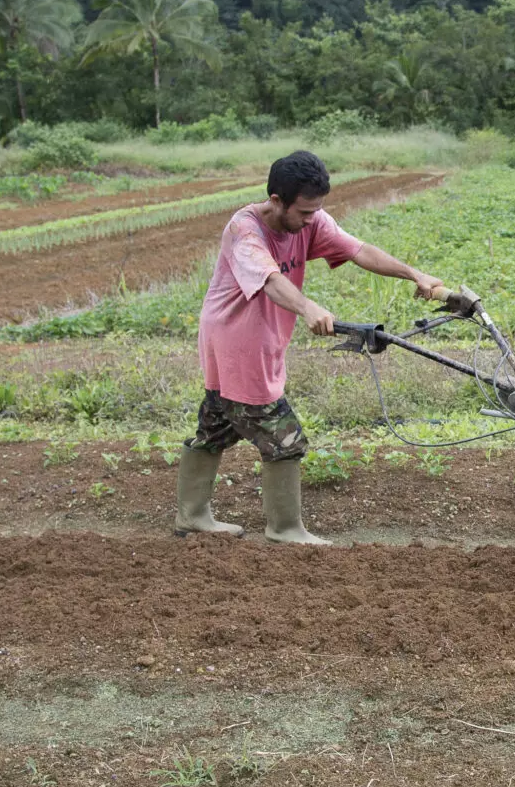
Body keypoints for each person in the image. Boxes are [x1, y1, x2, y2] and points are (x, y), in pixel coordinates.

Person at [175, 150, 445, 544]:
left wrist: (413, 274)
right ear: (276, 201)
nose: (310, 220)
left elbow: (358, 250)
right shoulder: (244, 230)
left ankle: (191, 516)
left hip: (255, 341)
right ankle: (285, 529)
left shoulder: (309, 221)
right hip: (238, 344)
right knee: (286, 441)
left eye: (316, 211)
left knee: (215, 428)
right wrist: (307, 307)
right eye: (303, 213)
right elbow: (269, 280)